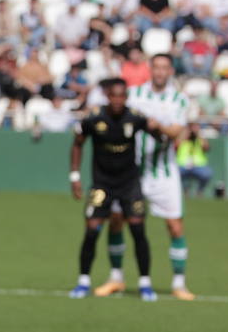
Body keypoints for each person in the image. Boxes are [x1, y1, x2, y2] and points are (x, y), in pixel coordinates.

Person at [96, 55, 193, 300]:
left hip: (164, 173)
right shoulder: (135, 94)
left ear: (170, 70)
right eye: (156, 67)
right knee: (117, 219)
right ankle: (116, 277)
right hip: (132, 171)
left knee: (174, 225)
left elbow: (176, 132)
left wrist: (155, 125)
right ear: (150, 69)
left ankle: (179, 283)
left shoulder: (178, 100)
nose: (160, 72)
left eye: (164, 68)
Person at [69, 78, 168, 301]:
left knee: (137, 229)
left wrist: (158, 130)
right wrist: (75, 176)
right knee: (92, 229)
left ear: (126, 98)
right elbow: (77, 144)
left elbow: (160, 138)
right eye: (113, 96)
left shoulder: (135, 117)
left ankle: (145, 283)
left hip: (129, 184)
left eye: (121, 96)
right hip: (102, 183)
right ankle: (83, 281)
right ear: (107, 97)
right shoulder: (94, 118)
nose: (117, 100)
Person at [177, 127, 212, 195]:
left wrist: (199, 135)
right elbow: (175, 146)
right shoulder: (183, 139)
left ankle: (200, 191)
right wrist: (184, 136)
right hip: (183, 165)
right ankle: (185, 191)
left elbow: (207, 148)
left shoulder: (199, 139)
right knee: (176, 173)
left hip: (198, 166)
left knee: (206, 173)